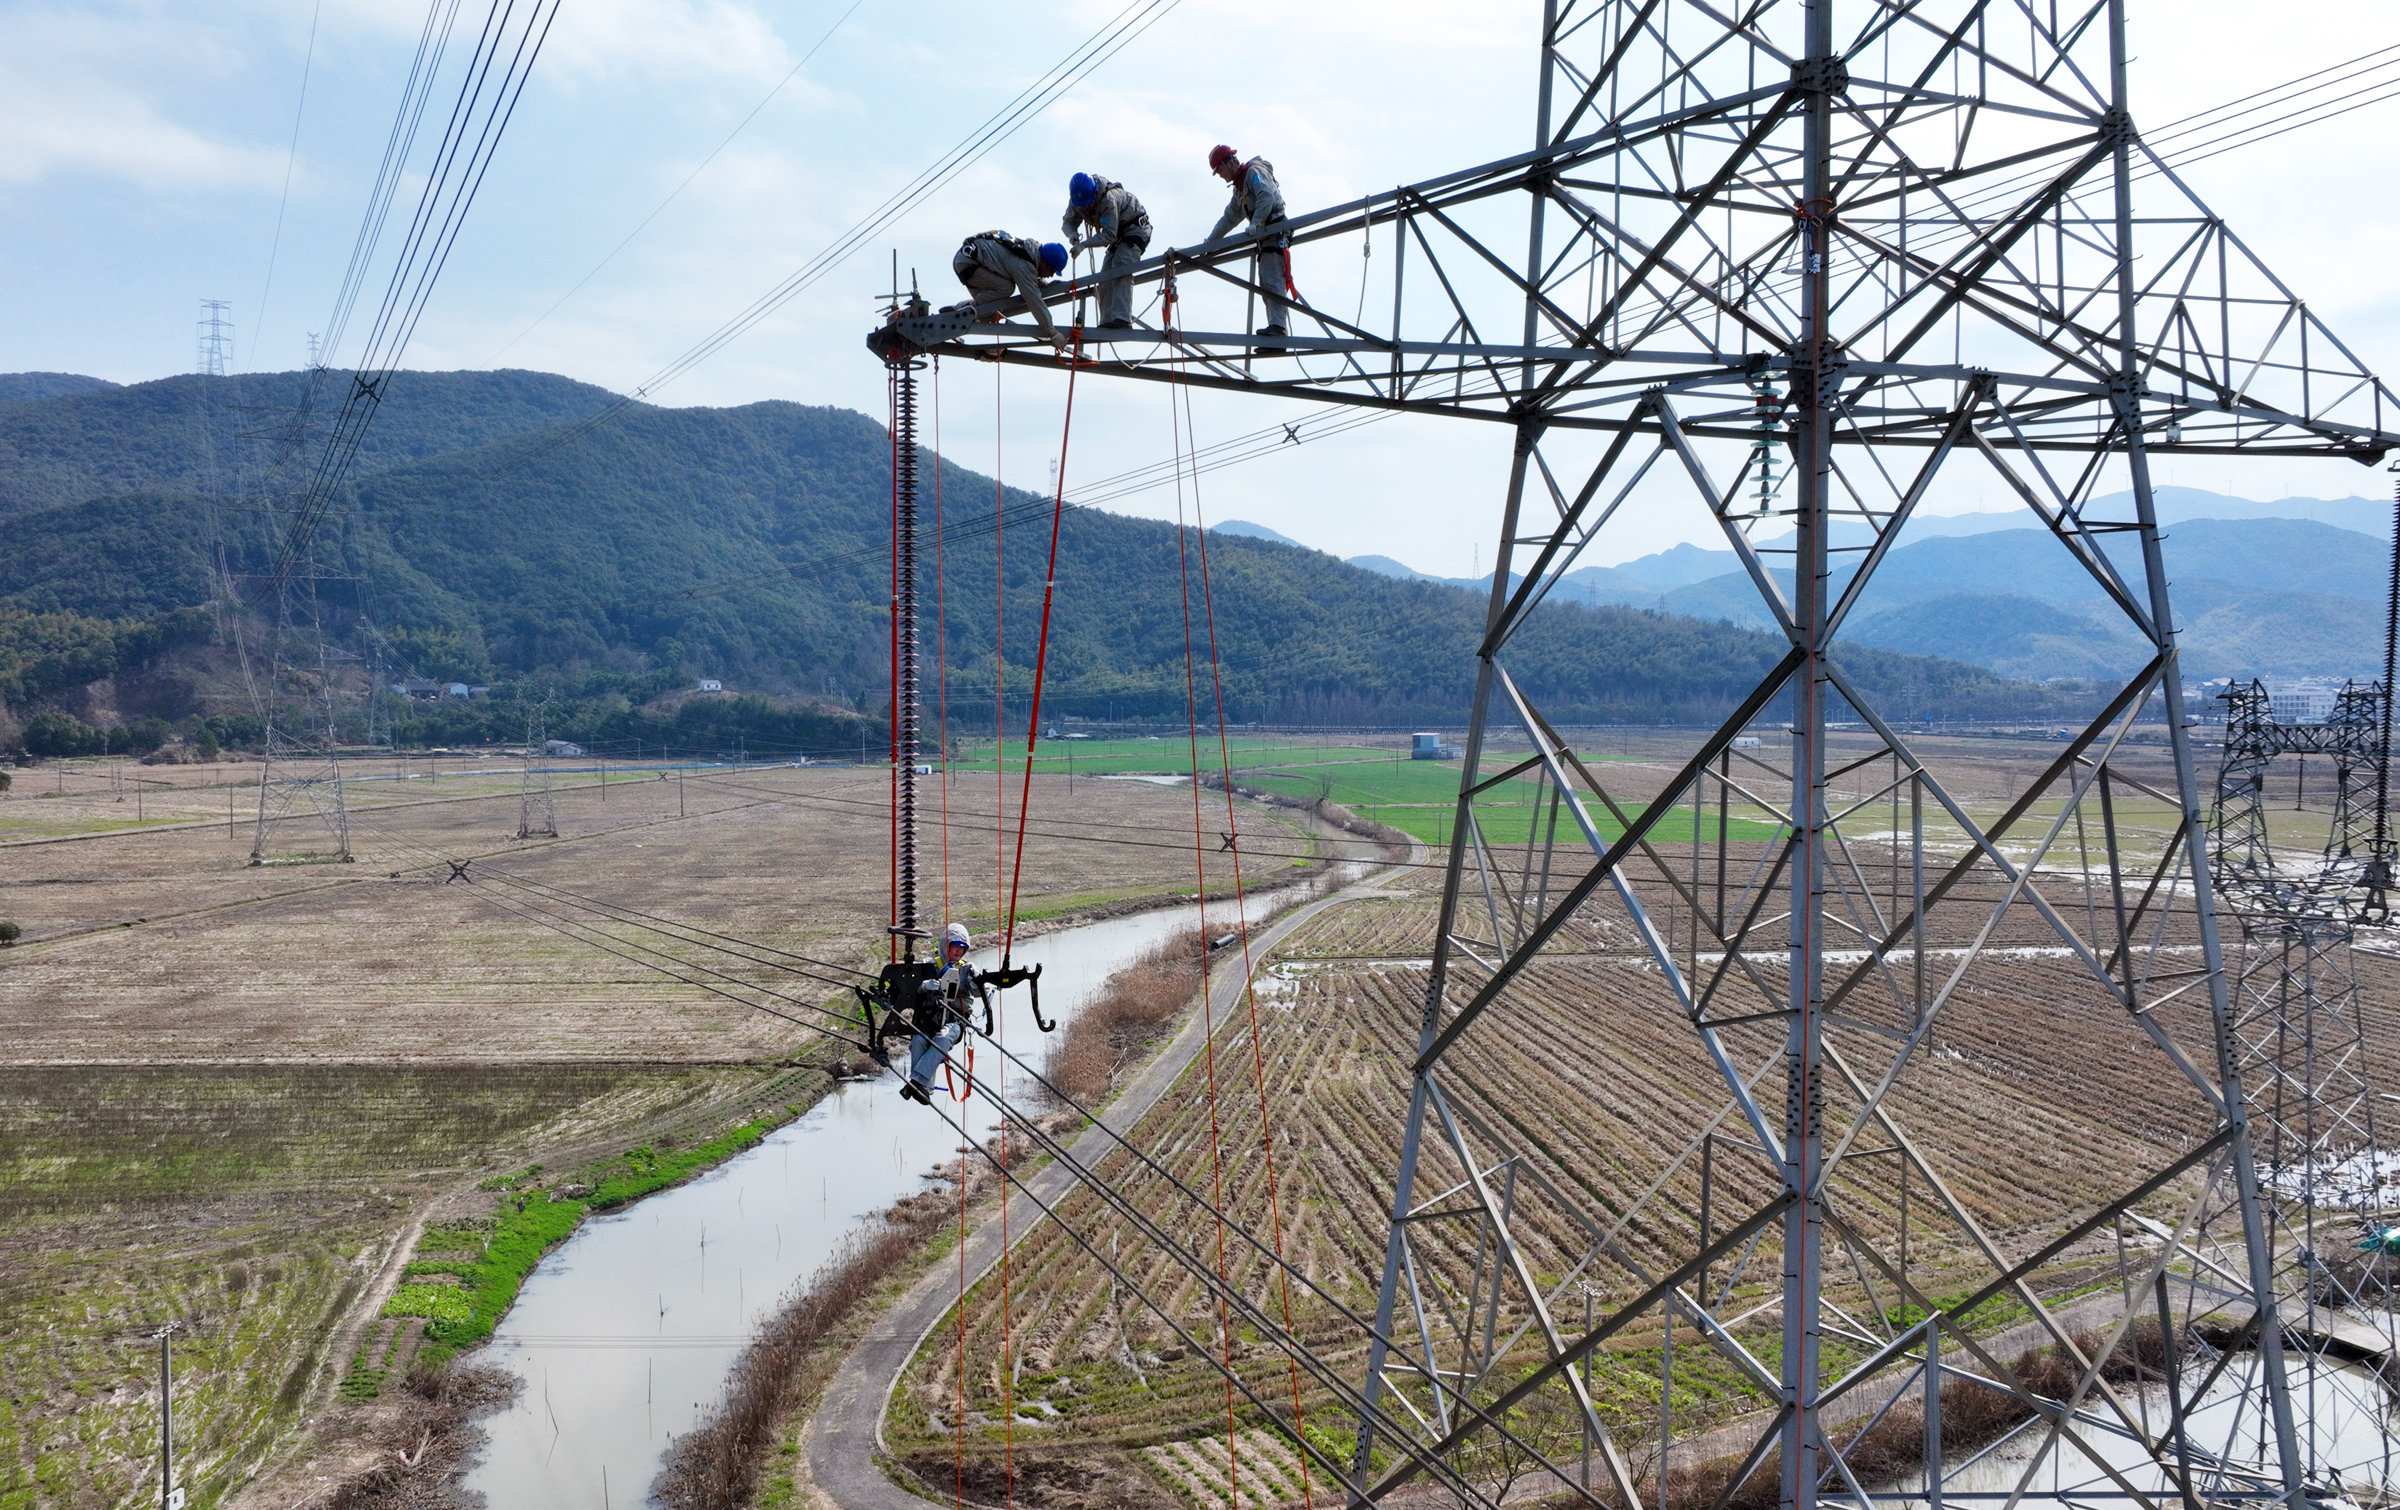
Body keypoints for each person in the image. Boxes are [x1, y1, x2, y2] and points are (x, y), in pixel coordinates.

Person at [1204, 145, 1290, 337]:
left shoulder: (1254, 173)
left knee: (1272, 278)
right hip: (1265, 235)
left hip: (1274, 230)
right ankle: (1276, 326)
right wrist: (1210, 243)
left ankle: (1278, 328)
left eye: (1220, 171)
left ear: (1229, 162)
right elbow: (1229, 218)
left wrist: (1257, 222)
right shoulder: (1240, 189)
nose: (1220, 176)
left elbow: (1266, 196)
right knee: (1267, 281)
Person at [901, 922, 989, 1104]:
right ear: (945, 946)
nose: (958, 952)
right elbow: (910, 989)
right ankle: (924, 1087)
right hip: (930, 1017)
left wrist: (976, 982)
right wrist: (924, 986)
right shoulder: (929, 965)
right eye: (955, 947)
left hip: (956, 1021)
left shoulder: (967, 969)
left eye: (962, 949)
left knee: (942, 1039)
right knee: (918, 1040)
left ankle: (917, 1082)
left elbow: (981, 993)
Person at [1060, 172, 1152, 329]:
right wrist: (1073, 236)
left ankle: (1122, 319)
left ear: (1095, 193)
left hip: (1135, 229)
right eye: (1082, 205)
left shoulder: (1109, 199)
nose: (1085, 208)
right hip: (1118, 236)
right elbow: (1067, 223)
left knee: (1121, 265)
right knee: (1105, 275)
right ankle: (1107, 320)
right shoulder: (1077, 200)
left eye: (1088, 203)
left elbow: (1109, 235)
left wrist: (1083, 245)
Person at [949, 231, 1070, 348]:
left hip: (970, 260)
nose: (1050, 275)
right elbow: (1034, 301)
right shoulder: (1024, 265)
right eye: (1052, 271)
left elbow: (1029, 278)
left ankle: (960, 310)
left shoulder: (1028, 252)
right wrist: (1052, 332)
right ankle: (962, 309)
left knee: (986, 316)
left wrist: (1046, 285)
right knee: (1007, 288)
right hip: (969, 264)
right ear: (1044, 263)